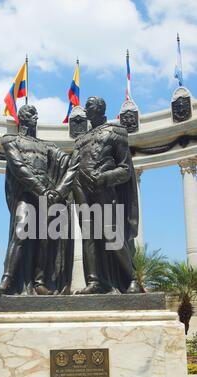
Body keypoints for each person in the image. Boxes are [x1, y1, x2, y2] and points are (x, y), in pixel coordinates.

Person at [0, 104, 79, 297]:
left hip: (46, 194)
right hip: (27, 193)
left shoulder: (46, 145)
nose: (36, 116)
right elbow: (18, 167)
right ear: (21, 118)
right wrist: (42, 190)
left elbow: (66, 161)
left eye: (36, 114)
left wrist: (81, 152)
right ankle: (8, 279)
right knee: (21, 231)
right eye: (31, 113)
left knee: (45, 238)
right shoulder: (10, 139)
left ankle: (40, 281)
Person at [73, 96, 141, 294]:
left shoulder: (116, 132)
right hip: (81, 189)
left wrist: (104, 178)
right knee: (88, 235)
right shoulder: (80, 140)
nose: (85, 109)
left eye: (89, 105)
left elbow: (125, 169)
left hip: (104, 189)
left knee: (111, 233)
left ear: (101, 108)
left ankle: (131, 278)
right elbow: (72, 165)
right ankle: (95, 281)